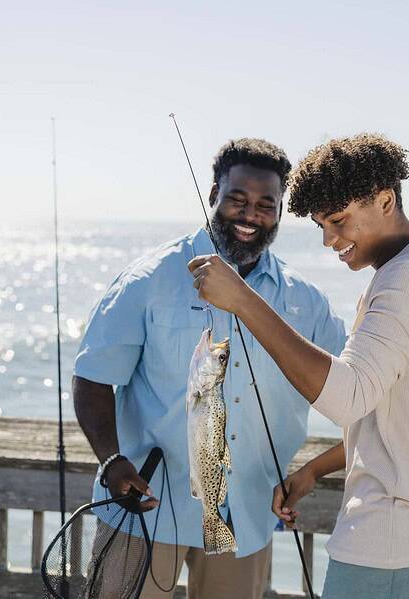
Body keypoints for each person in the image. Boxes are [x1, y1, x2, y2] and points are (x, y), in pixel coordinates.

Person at [188, 133, 409, 599]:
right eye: (321, 225)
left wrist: (244, 301)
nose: (330, 240)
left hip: (396, 541)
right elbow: (386, 415)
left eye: (340, 220)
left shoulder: (408, 280)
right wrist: (314, 471)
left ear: (385, 200)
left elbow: (347, 399)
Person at [73, 137, 347, 599]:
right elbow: (93, 378)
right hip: (146, 507)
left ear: (280, 211)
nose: (250, 215)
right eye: (237, 199)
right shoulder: (149, 279)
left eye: (266, 204)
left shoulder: (305, 300)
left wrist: (314, 471)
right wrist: (112, 461)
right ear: (213, 194)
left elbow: (358, 386)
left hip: (248, 514)